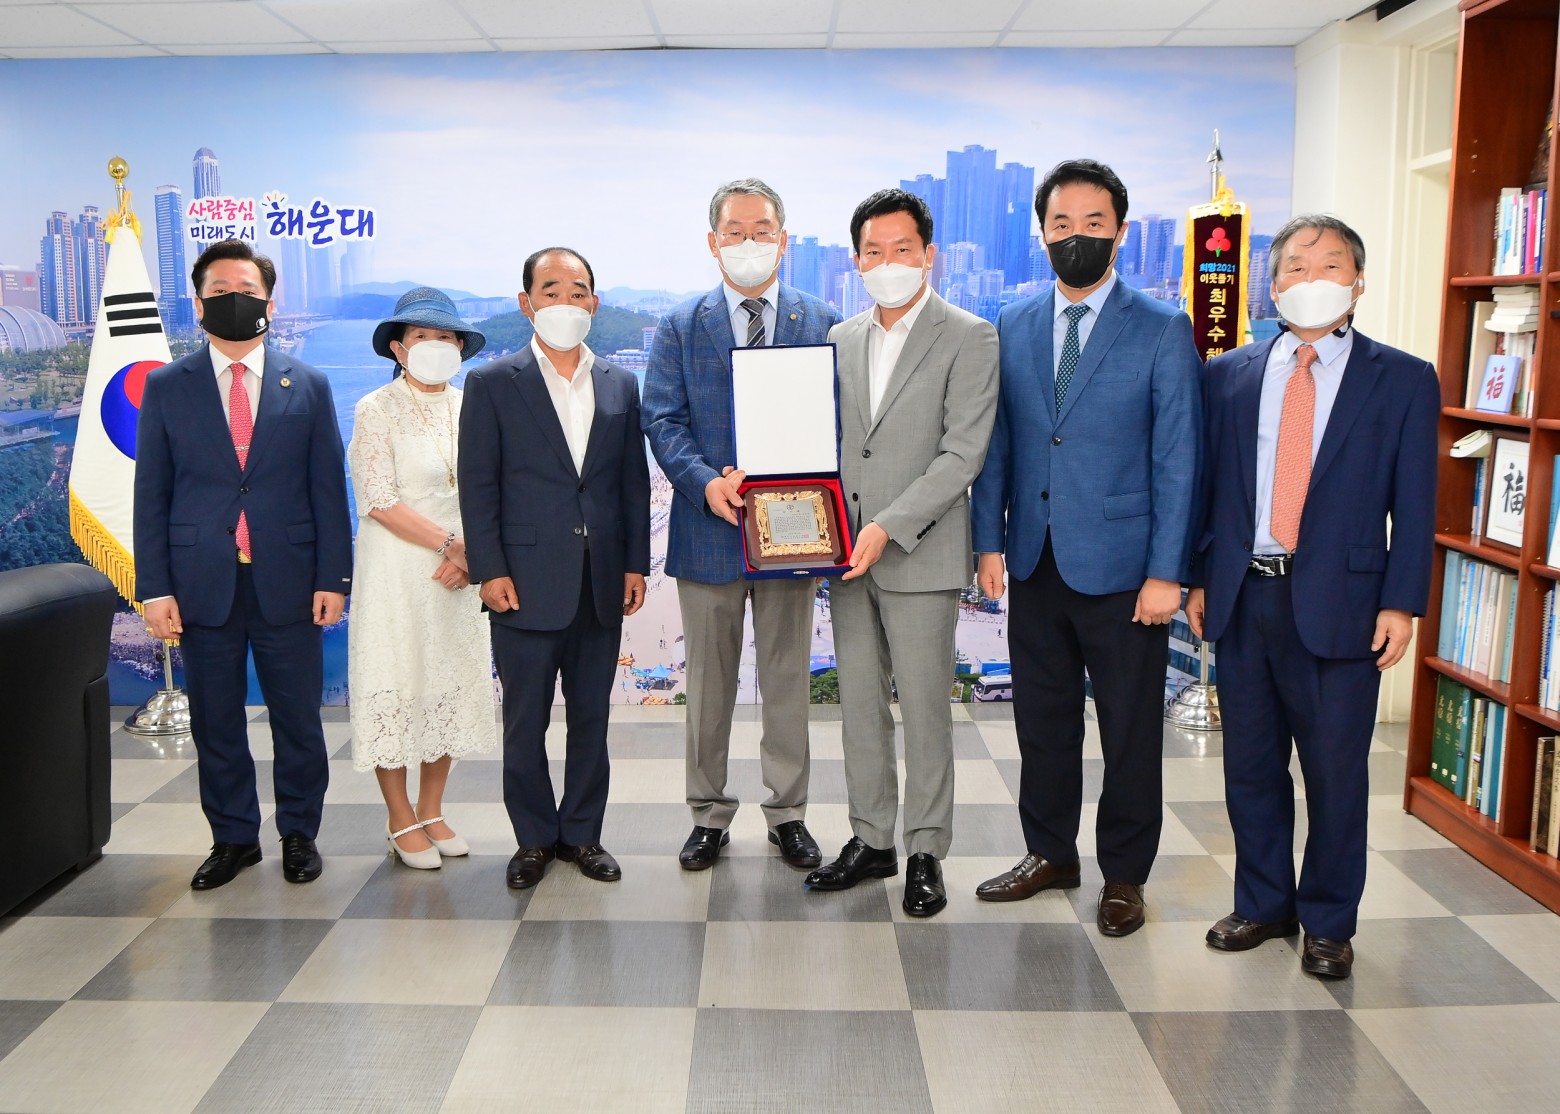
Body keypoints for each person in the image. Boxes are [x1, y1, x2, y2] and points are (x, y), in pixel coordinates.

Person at [1186, 215, 1437, 979]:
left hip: (1345, 605)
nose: (1312, 277)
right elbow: (1208, 490)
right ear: (1272, 285)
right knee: (1251, 767)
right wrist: (1198, 577)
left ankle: (1329, 920)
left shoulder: (1402, 378)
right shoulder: (1227, 375)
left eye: (1331, 264)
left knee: (1335, 773)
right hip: (1244, 596)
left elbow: (1416, 504)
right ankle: (1263, 902)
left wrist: (1401, 603)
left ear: (1359, 283)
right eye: (1295, 265)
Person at [969, 159, 1202, 936]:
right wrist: (988, 542)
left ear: (1120, 232)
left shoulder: (1162, 327)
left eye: (1093, 224)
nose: (1077, 237)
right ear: (1042, 233)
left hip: (1127, 571)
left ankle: (1124, 875)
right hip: (1035, 557)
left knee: (1129, 731)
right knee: (1043, 721)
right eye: (1061, 224)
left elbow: (1179, 459)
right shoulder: (1014, 322)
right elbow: (1000, 444)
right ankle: (1049, 853)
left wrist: (1168, 572)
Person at [134, 238, 352, 890]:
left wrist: (334, 579)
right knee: (216, 721)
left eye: (247, 291)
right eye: (221, 291)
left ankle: (298, 834)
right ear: (199, 302)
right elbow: (152, 494)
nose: (235, 300)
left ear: (270, 302)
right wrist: (154, 588)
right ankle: (233, 839)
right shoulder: (166, 386)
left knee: (298, 719)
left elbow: (327, 490)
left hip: (289, 578)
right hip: (202, 582)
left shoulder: (307, 384)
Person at [804, 189, 998, 917]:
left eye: (903, 249)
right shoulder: (840, 336)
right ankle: (870, 839)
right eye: (874, 252)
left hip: (918, 550)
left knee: (923, 710)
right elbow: (820, 442)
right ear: (857, 262)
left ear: (929, 255)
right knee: (859, 706)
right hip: (846, 555)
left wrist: (886, 525)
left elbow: (962, 454)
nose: (889, 263)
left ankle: (925, 851)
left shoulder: (970, 336)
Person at [643, 179, 842, 872]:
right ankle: (708, 814)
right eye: (735, 231)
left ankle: (788, 813)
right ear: (713, 241)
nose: (748, 243)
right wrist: (706, 482)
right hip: (708, 530)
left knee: (787, 681)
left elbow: (841, 419)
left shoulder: (823, 320)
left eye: (762, 231)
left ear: (783, 240)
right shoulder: (679, 325)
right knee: (709, 689)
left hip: (794, 530)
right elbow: (661, 419)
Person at [459, 247, 650, 890]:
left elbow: (630, 483)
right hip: (522, 582)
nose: (565, 302)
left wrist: (634, 564)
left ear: (594, 301)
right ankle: (534, 839)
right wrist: (489, 569)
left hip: (600, 581)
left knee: (592, 719)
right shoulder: (492, 382)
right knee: (525, 722)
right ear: (526, 302)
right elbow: (478, 487)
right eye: (551, 290)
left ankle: (583, 835)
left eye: (578, 291)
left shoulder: (620, 383)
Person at [347, 287, 494, 870]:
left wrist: (471, 555)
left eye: (446, 337)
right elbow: (378, 499)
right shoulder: (375, 408)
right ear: (398, 347)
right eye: (421, 336)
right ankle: (399, 815)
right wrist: (450, 545)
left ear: (460, 347)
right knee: (395, 679)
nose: (435, 345)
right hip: (397, 566)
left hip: (461, 570)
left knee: (446, 684)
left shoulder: (474, 405)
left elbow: (493, 486)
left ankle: (432, 808)